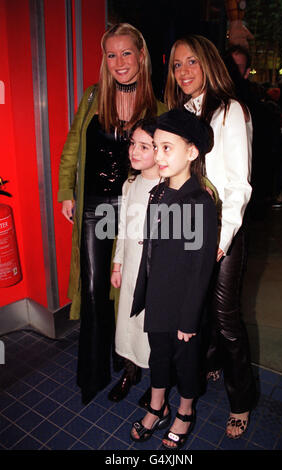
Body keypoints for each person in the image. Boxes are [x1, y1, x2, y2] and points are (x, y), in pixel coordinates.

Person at [58, 23, 166, 405]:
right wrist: (66, 191)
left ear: (141, 54)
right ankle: (92, 370)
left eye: (126, 53)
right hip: (96, 206)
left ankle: (131, 366)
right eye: (111, 54)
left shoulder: (159, 105)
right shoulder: (92, 98)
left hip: (137, 208)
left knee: (132, 290)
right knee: (93, 288)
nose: (119, 62)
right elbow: (73, 145)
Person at [164, 35, 256, 439]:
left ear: (208, 64)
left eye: (191, 63)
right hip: (187, 227)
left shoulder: (230, 110)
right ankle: (211, 359)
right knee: (196, 309)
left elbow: (239, 184)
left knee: (225, 315)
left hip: (222, 229)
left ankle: (242, 401)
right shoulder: (178, 113)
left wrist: (223, 238)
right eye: (177, 65)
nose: (183, 71)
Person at [129, 109, 218, 449]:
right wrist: (145, 294)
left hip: (184, 306)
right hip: (158, 298)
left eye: (168, 148)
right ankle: (156, 406)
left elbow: (200, 270)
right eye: (157, 147)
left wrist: (189, 316)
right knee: (158, 356)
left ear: (192, 152)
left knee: (187, 361)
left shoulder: (200, 202)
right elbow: (153, 252)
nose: (159, 155)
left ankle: (184, 410)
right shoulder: (158, 194)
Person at [108, 119, 160, 402]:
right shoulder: (131, 184)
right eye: (132, 144)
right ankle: (130, 371)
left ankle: (157, 382)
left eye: (144, 146)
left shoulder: (170, 187)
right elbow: (122, 229)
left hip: (154, 271)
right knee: (127, 322)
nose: (134, 151)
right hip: (129, 267)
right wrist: (117, 264)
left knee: (151, 326)